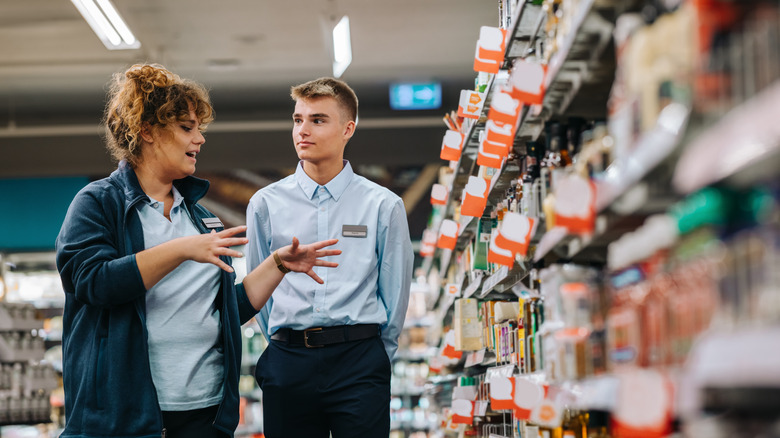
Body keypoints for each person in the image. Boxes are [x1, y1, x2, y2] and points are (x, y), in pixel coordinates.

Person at [55, 64, 340, 438]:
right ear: (148, 132)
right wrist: (181, 250)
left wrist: (278, 265)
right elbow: (92, 282)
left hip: (202, 413)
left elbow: (222, 312)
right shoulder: (98, 203)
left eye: (199, 128)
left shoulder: (202, 218)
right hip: (125, 415)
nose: (200, 139)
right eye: (187, 128)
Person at [246, 77, 414, 438]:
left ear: (347, 129)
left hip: (359, 361)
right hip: (289, 360)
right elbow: (259, 293)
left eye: (317, 120)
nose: (302, 130)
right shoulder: (265, 205)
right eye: (297, 119)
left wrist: (376, 357)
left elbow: (396, 292)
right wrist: (281, 342)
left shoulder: (383, 205)